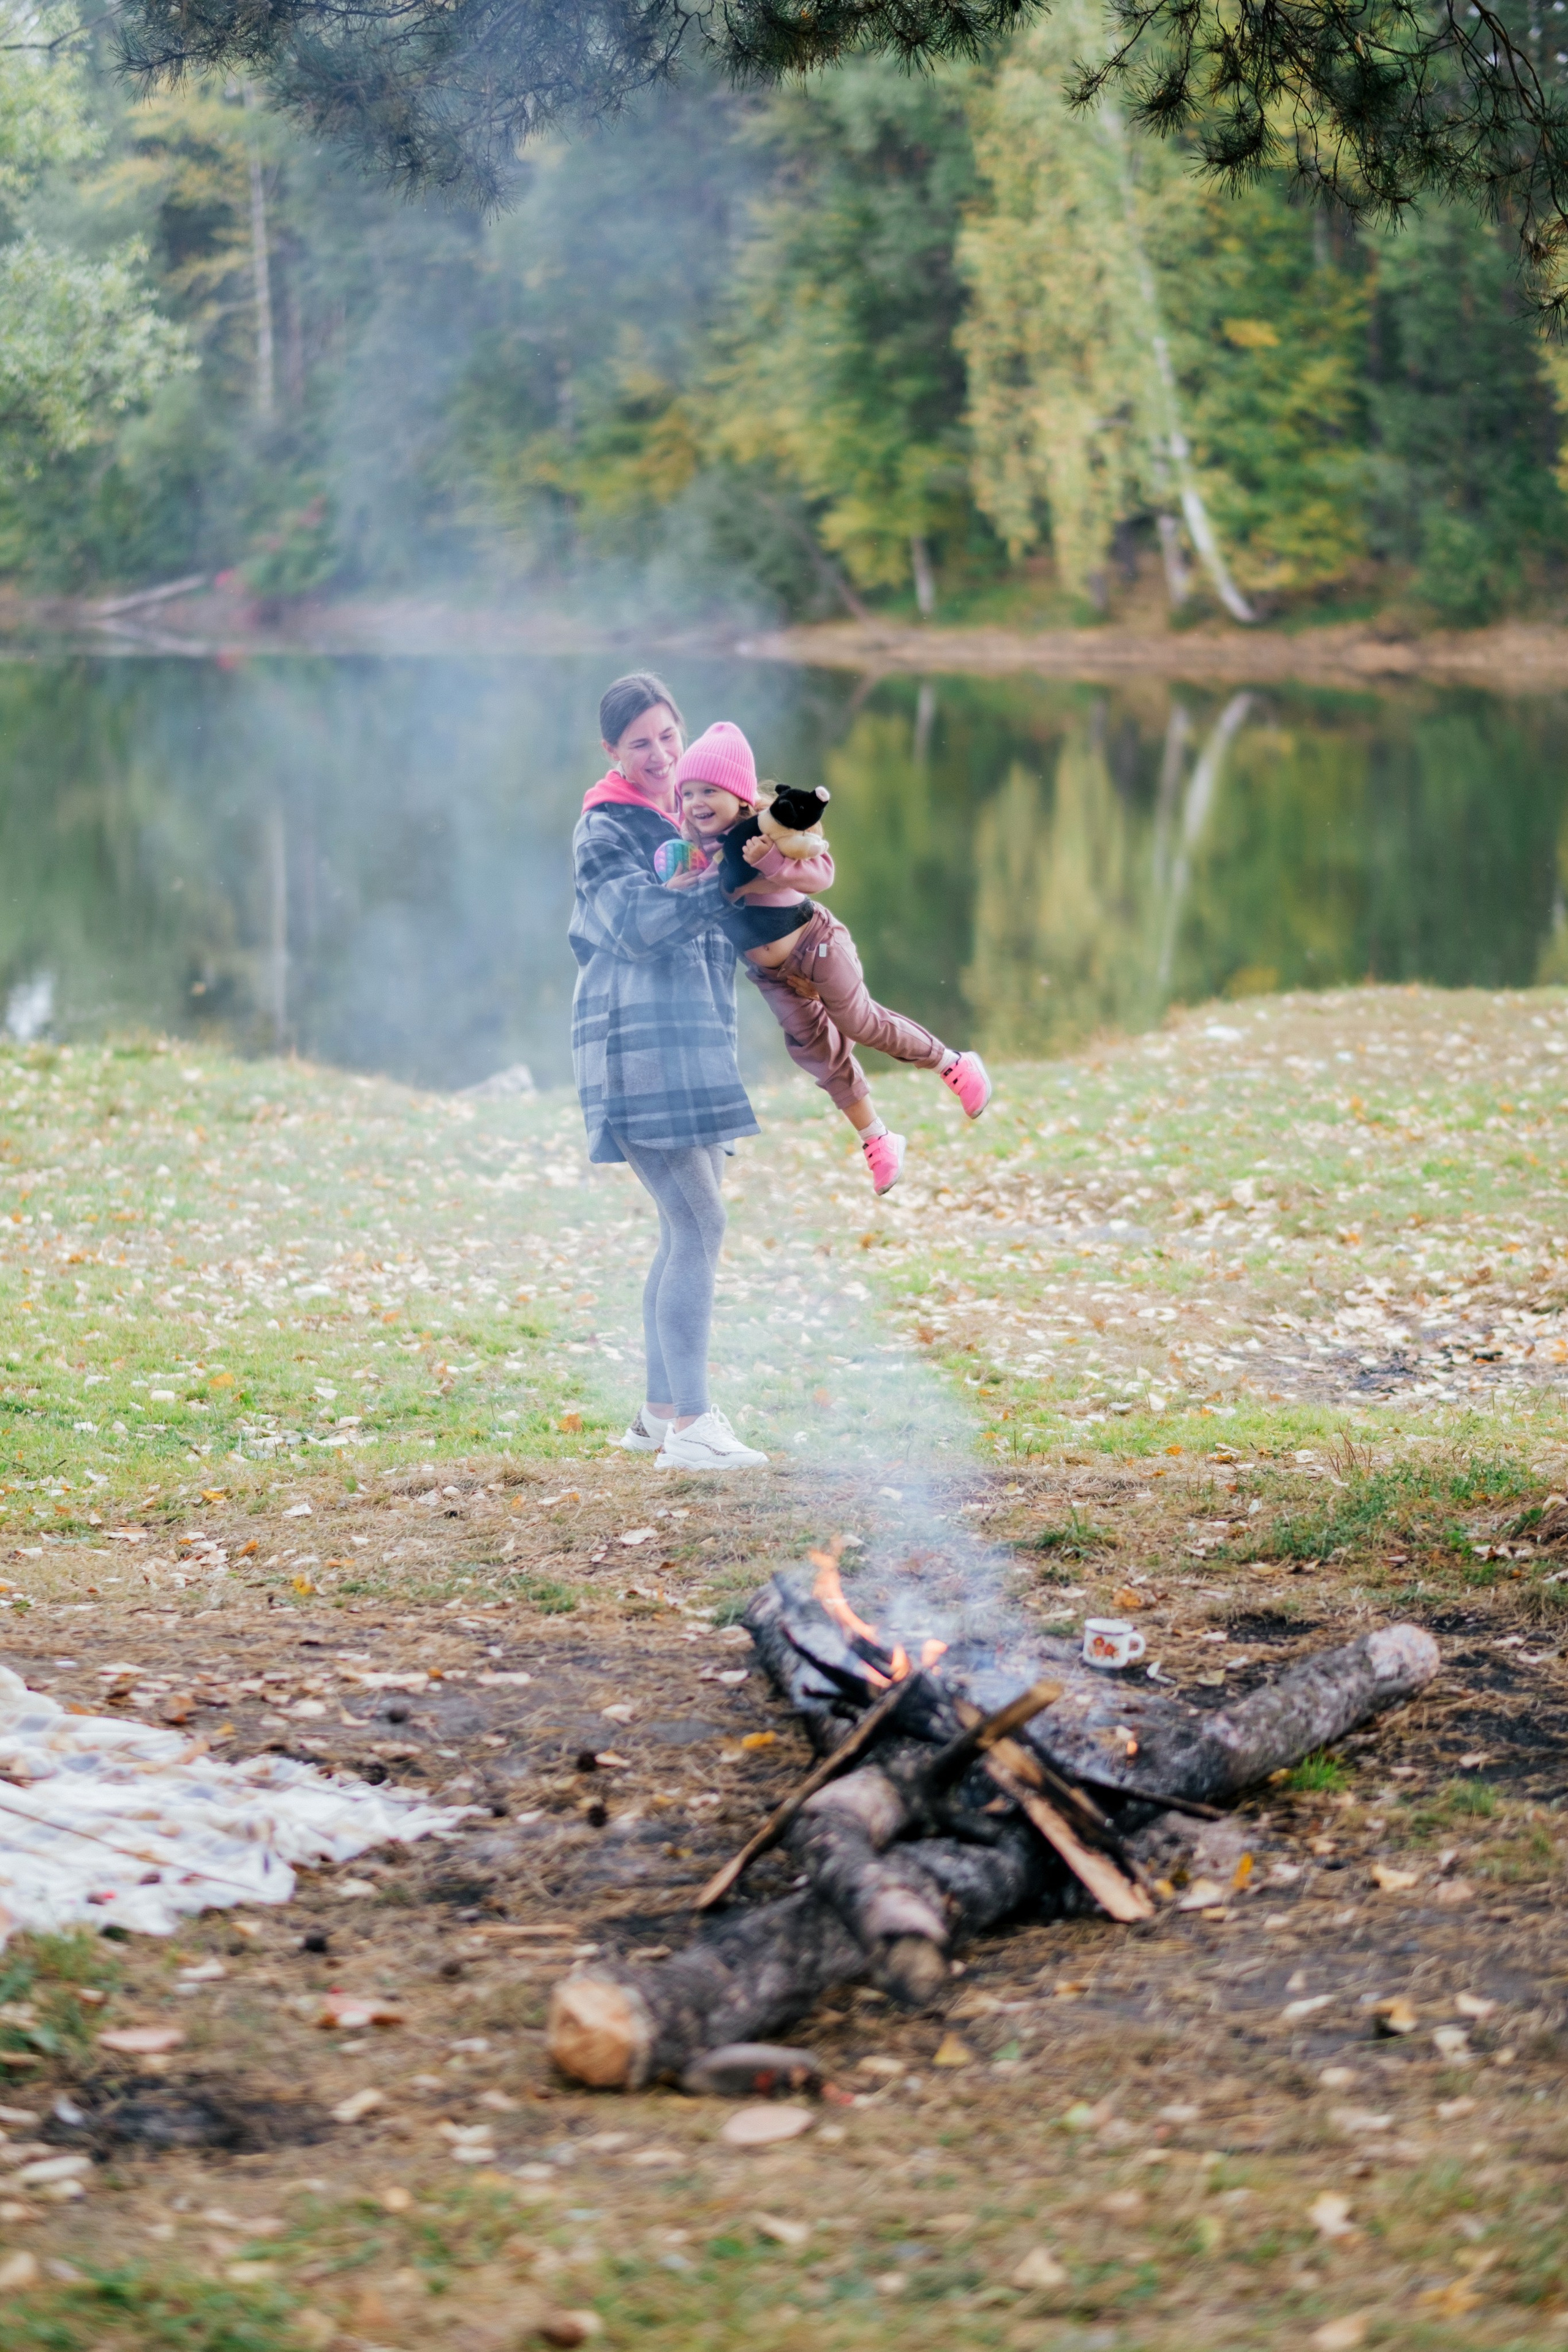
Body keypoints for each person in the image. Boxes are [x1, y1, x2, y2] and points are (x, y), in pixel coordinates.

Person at [569, 673, 767, 1471]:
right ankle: (692, 1426)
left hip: (696, 1045)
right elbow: (636, 923)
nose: (660, 755)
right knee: (701, 1224)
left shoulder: (692, 819)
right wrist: (722, 882)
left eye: (669, 737)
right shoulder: (606, 827)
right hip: (637, 1045)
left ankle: (657, 1414)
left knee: (683, 1225)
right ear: (613, 751)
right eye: (641, 742)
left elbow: (738, 924)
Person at [666, 719, 992, 1194]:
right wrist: (679, 890)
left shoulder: (771, 829)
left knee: (860, 1022)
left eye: (708, 791)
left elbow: (822, 872)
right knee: (820, 1056)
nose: (696, 803)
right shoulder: (697, 850)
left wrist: (770, 862)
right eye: (688, 793)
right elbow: (703, 898)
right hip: (772, 974)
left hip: (815, 942)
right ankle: (878, 1138)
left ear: (739, 796)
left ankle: (954, 1064)